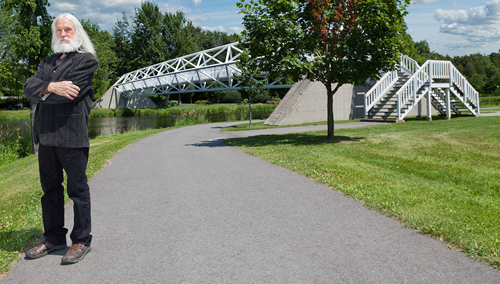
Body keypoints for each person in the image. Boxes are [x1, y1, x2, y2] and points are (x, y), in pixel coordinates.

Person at [24, 13, 99, 264]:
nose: (63, 34)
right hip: (46, 136)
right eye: (59, 30)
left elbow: (70, 94)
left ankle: (81, 240)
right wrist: (51, 87)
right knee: (50, 191)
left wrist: (45, 90)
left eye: (68, 29)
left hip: (72, 135)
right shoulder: (47, 62)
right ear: (55, 34)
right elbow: (29, 87)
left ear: (76, 32)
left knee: (77, 191)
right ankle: (54, 238)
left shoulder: (86, 61)